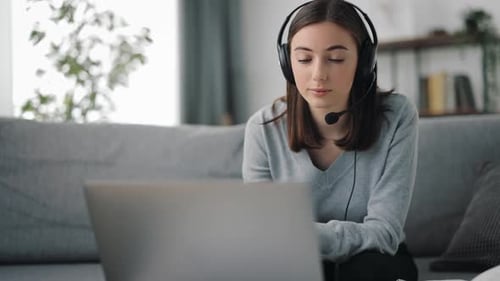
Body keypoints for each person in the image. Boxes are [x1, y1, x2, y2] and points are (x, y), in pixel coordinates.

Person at [242, 0, 419, 280]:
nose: (318, 74)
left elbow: (384, 234)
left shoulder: (397, 117)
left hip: (377, 261)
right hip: (294, 260)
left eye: (335, 59)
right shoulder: (263, 129)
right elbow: (265, 234)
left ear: (364, 62)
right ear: (287, 64)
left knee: (366, 269)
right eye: (303, 59)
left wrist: (301, 234)